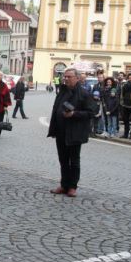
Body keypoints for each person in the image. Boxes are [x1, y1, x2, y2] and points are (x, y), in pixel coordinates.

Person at [47, 68, 97, 198]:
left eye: (69, 76)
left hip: (75, 132)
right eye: (65, 76)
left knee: (74, 161)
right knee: (63, 160)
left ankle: (72, 187)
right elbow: (55, 109)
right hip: (61, 131)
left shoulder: (84, 93)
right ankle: (64, 185)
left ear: (77, 78)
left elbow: (91, 112)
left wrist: (74, 114)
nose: (66, 79)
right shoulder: (62, 91)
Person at [120, 73, 131, 138]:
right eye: (129, 77)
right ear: (128, 78)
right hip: (125, 105)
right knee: (125, 120)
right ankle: (125, 134)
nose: (130, 78)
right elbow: (123, 94)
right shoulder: (125, 85)